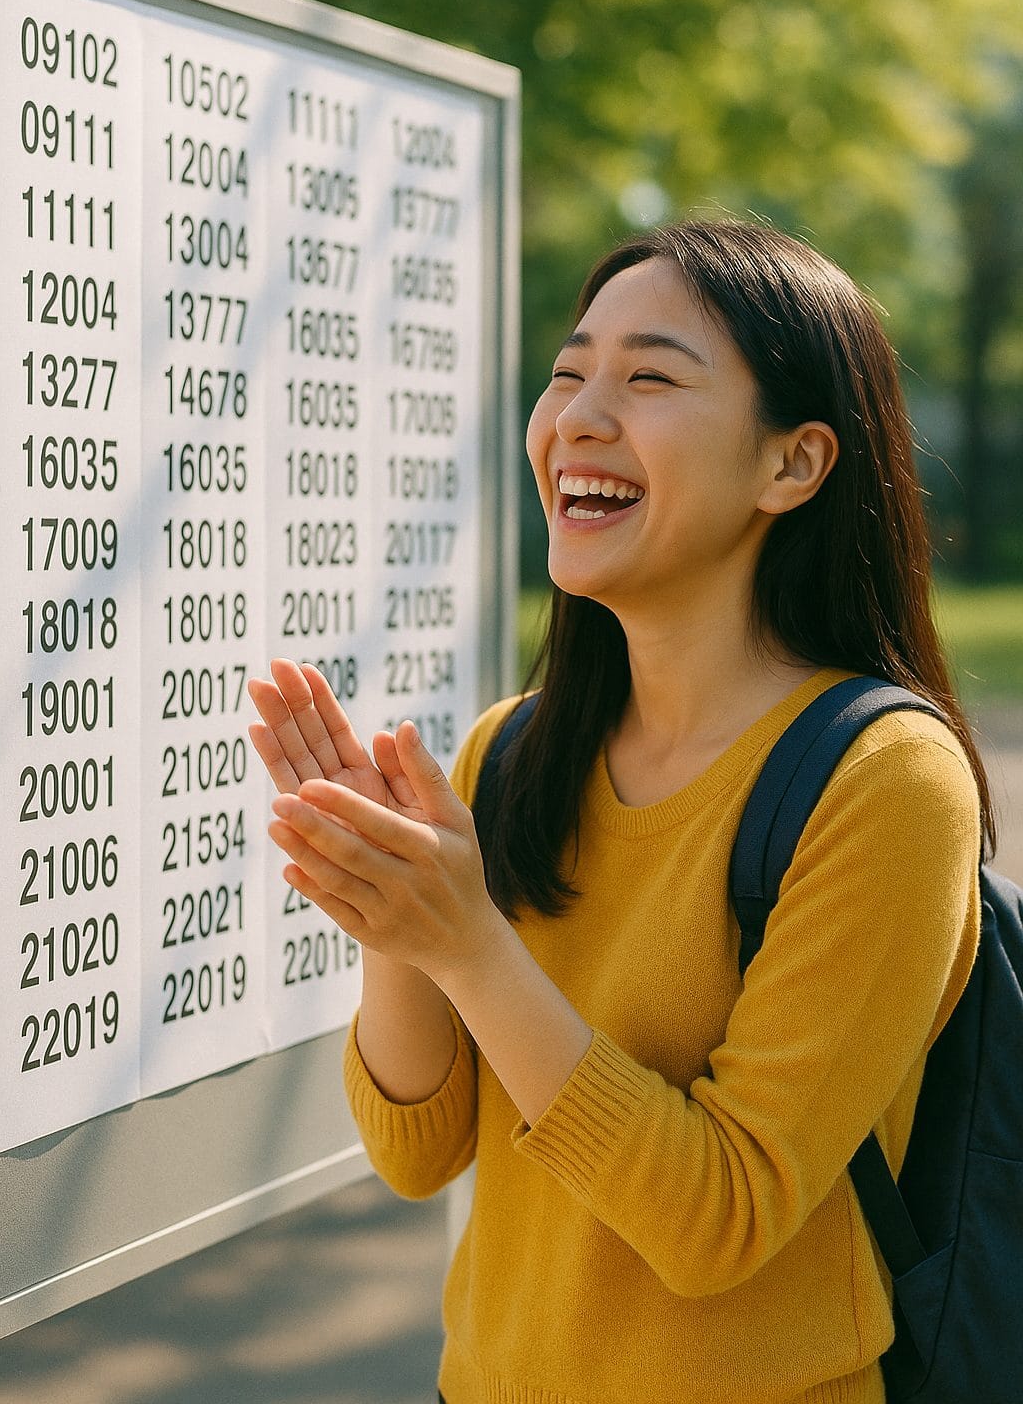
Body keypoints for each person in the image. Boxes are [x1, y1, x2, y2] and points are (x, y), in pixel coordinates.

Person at [248, 219, 990, 1404]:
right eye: (567, 371)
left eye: (648, 377)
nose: (577, 417)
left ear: (791, 465)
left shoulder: (887, 779)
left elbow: (721, 1220)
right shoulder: (515, 748)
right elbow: (414, 1151)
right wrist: (396, 926)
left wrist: (465, 943)